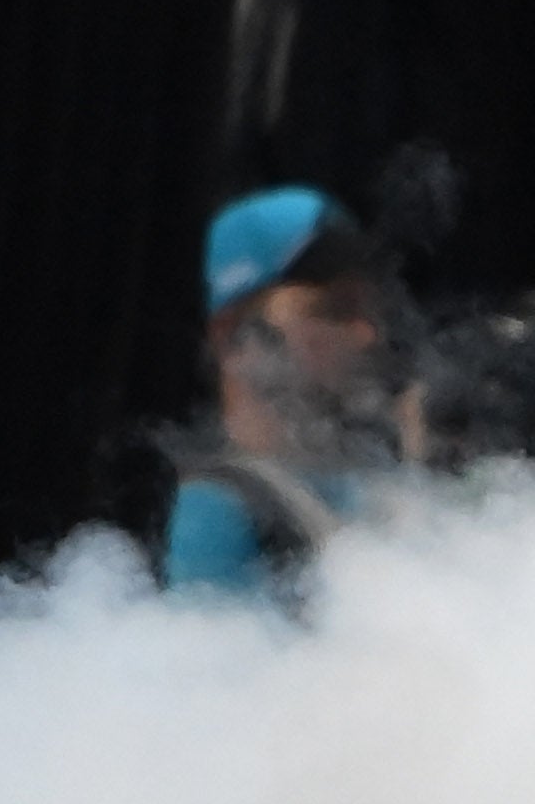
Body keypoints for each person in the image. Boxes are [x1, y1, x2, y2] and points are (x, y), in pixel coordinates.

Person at [162, 186, 399, 596]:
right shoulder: (221, 508)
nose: (366, 334)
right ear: (233, 337)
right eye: (335, 308)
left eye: (365, 307)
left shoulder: (368, 489)